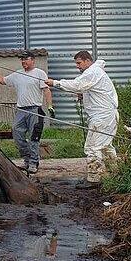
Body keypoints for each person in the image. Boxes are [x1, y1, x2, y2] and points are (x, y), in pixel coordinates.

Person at [46, 51, 119, 186]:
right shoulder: (95, 72)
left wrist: (55, 83)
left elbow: (77, 85)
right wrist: (84, 95)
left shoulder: (93, 72)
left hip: (102, 117)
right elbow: (90, 89)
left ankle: (93, 179)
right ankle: (116, 174)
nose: (77, 66)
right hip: (106, 116)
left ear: (87, 61)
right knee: (105, 146)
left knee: (93, 147)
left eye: (79, 63)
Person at [0, 52, 50, 174]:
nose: (23, 61)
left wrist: (50, 106)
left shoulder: (39, 73)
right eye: (22, 60)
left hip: (35, 110)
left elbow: (46, 90)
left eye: (26, 59)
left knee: (34, 138)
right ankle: (27, 159)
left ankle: (33, 163)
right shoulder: (17, 74)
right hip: (21, 110)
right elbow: (3, 80)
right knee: (17, 135)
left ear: (33, 60)